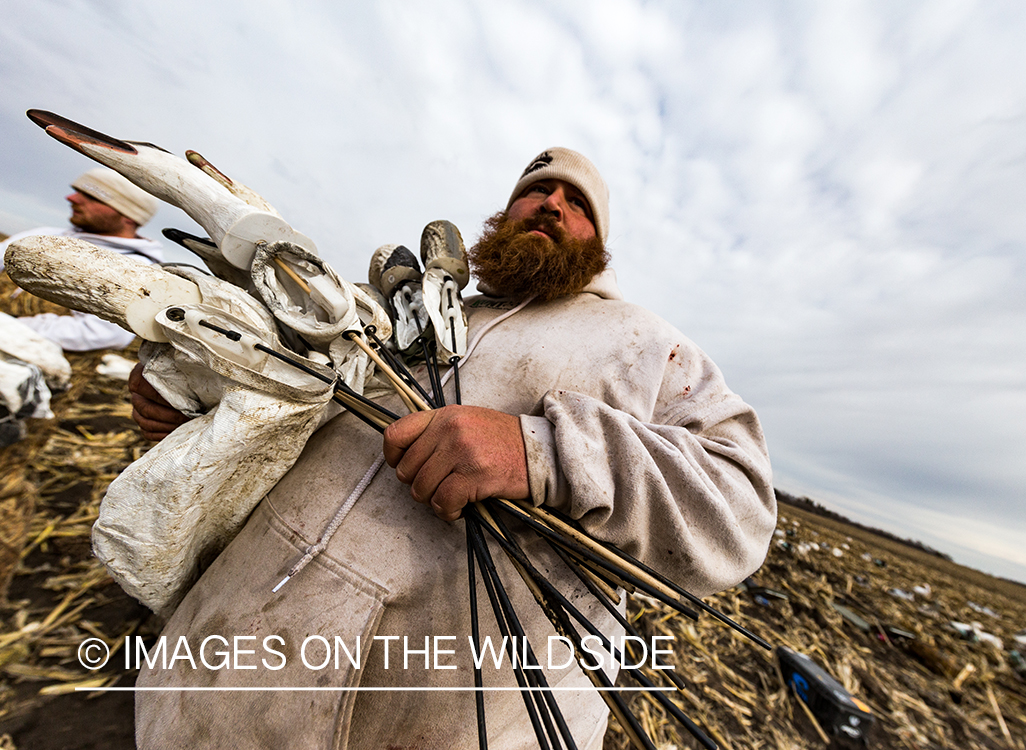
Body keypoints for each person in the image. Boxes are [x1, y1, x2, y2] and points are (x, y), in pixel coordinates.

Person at [128, 147, 776, 749]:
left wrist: (538, 453)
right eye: (536, 190)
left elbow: (739, 504)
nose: (551, 204)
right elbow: (294, 411)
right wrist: (199, 407)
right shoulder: (404, 317)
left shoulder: (644, 344)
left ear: (598, 246)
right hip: (212, 670)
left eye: (576, 203)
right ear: (504, 214)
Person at [0, 168, 163, 351]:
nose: (72, 198)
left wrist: (10, 326)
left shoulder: (134, 271)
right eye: (78, 191)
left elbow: (102, 334)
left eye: (92, 196)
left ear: (129, 216)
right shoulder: (45, 236)